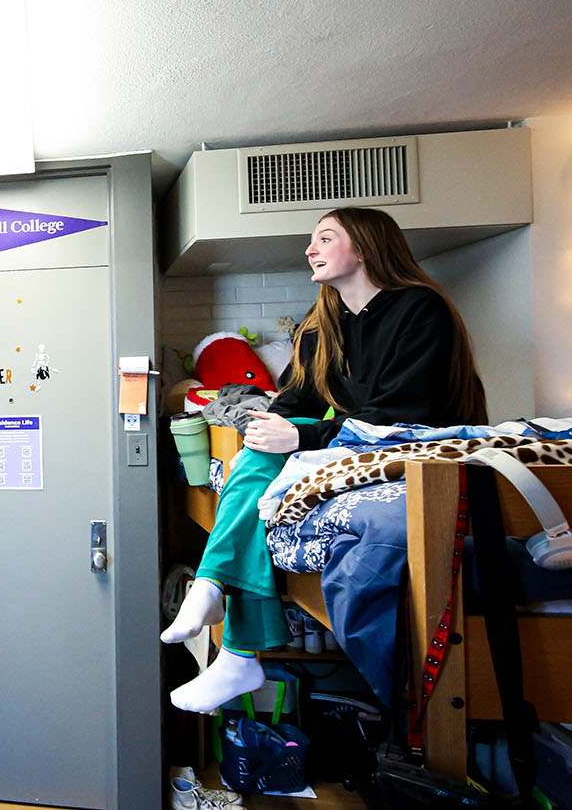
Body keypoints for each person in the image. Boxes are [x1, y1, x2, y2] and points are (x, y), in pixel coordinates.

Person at [161, 206, 487, 713]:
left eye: (325, 238)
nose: (309, 249)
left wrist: (305, 435)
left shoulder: (420, 309)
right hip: (355, 448)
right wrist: (270, 428)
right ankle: (214, 599)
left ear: (365, 246)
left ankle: (229, 629)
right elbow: (296, 400)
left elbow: (404, 414)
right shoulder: (323, 325)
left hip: (418, 448)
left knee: (268, 469)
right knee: (258, 461)